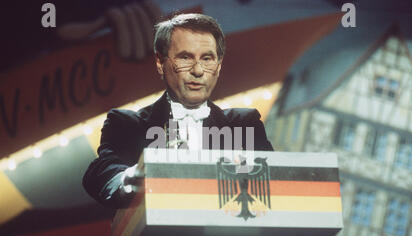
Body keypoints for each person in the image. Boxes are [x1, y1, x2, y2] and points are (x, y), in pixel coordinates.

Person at [83, 13, 274, 209]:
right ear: (160, 62)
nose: (198, 70)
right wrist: (131, 178)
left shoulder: (244, 123)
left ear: (218, 65)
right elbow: (102, 171)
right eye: (185, 57)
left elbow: (276, 182)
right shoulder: (127, 124)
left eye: (207, 58)